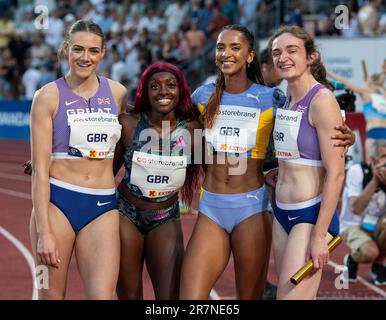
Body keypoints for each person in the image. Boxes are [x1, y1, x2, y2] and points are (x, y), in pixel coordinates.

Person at [29, 20, 127, 299]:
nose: (85, 57)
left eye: (93, 51)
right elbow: (39, 170)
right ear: (66, 49)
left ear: (103, 53)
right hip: (57, 204)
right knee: (50, 295)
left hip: (102, 206)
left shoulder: (118, 93)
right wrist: (44, 232)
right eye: (78, 49)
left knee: (103, 296)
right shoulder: (47, 96)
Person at [180, 24, 278, 300]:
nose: (226, 53)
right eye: (221, 47)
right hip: (211, 208)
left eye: (235, 48)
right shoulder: (202, 95)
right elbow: (171, 126)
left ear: (249, 56)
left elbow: (304, 131)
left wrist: (343, 136)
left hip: (251, 208)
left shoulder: (270, 98)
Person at [113, 62, 202, 299]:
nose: (163, 91)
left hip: (165, 216)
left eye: (170, 85)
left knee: (170, 298)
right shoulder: (128, 125)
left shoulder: (194, 131)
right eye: (155, 86)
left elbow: (218, 172)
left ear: (181, 90)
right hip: (125, 215)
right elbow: (103, 173)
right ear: (145, 91)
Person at [269, 25, 345, 299]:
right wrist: (280, 169)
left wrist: (318, 235)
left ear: (310, 57)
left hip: (309, 216)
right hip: (281, 212)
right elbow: (302, 154)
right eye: (277, 52)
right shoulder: (287, 97)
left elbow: (336, 173)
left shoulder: (322, 100)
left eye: (292, 51)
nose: (282, 58)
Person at [340, 140, 386, 285]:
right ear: (373, 159)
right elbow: (356, 208)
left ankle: (378, 266)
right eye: (384, 156)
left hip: (375, 224)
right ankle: (352, 259)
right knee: (370, 252)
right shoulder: (357, 171)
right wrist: (374, 181)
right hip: (352, 224)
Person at [327, 69, 386, 162]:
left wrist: (328, 73)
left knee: (370, 167)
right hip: (384, 132)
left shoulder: (366, 91)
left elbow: (345, 83)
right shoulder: (384, 94)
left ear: (370, 81)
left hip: (373, 133)